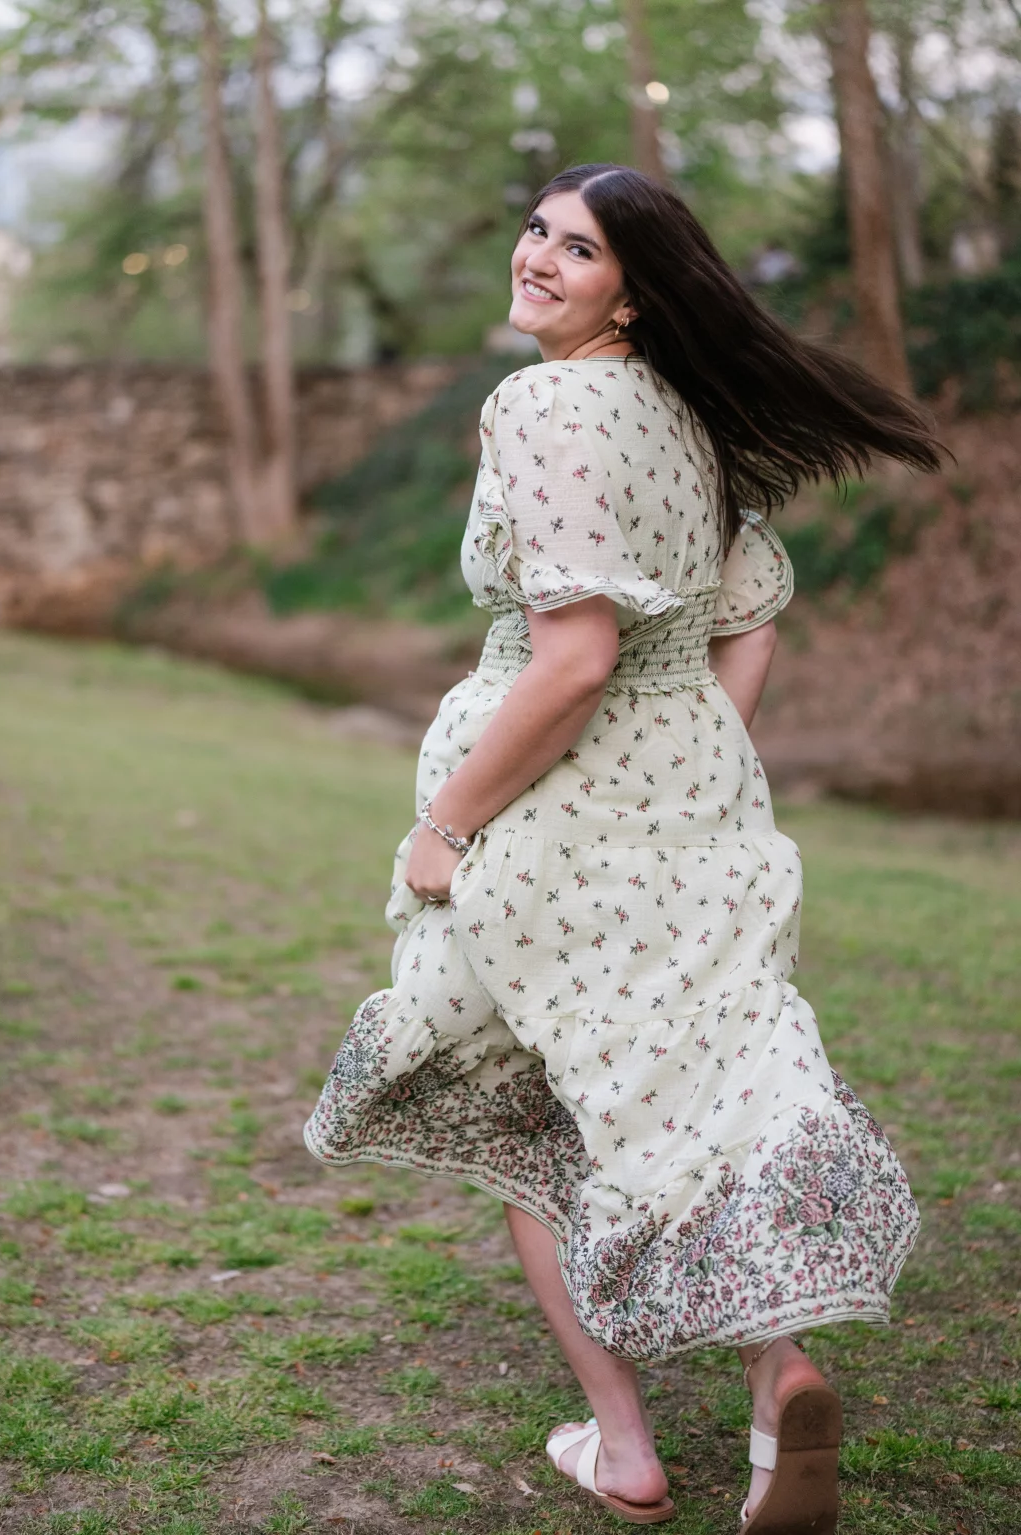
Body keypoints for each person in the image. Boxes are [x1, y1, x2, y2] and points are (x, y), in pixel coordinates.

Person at [305, 163, 942, 1531]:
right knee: (694, 1078)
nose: (537, 255)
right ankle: (782, 1378)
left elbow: (575, 659)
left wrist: (446, 822)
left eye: (576, 248)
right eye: (534, 227)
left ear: (633, 293)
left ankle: (626, 1448)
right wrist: (697, 753)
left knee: (537, 1111)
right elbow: (753, 610)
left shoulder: (543, 401)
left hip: (544, 820)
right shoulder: (684, 416)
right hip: (694, 801)